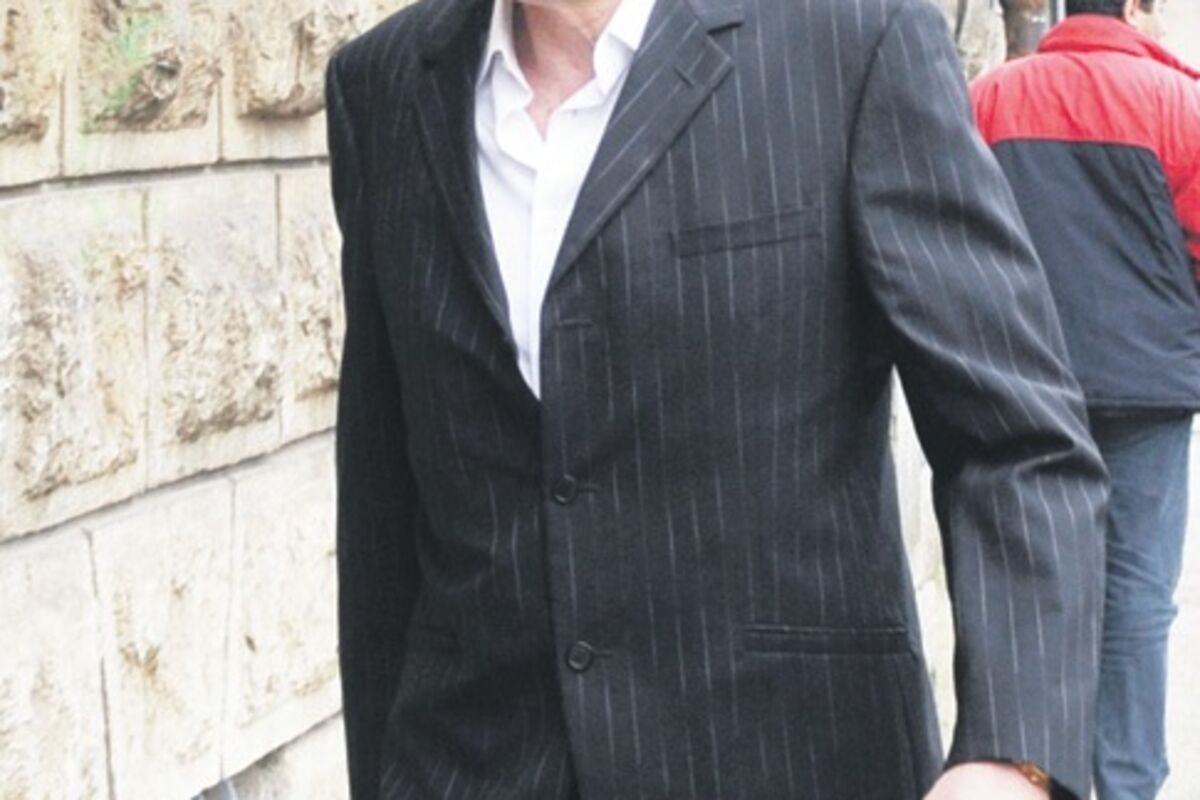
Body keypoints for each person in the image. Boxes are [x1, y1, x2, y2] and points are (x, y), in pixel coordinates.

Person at [326, 0, 1108, 797]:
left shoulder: (852, 39)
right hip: (468, 767)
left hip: (786, 761)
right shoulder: (383, 84)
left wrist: (1013, 758)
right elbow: (381, 500)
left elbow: (1016, 440)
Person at [971, 2, 1200, 798]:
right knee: (1136, 597)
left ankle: (1035, 775)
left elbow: (958, 231)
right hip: (1147, 391)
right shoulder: (1181, 104)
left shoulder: (993, 96)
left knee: (1031, 590)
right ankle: (1128, 782)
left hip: (1023, 385)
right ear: (1133, 10)